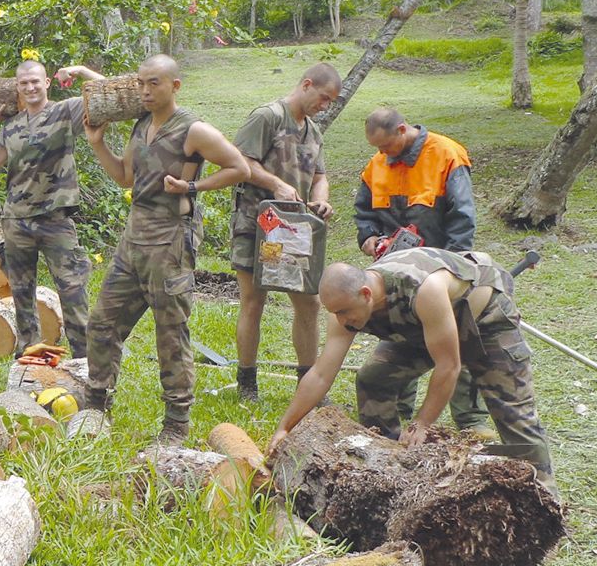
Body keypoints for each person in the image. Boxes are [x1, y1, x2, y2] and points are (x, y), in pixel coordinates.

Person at [65, 55, 249, 444]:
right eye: (141, 84)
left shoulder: (193, 130)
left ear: (175, 86)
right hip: (134, 238)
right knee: (102, 322)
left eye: (154, 84)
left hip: (170, 241)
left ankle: (176, 424)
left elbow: (239, 169)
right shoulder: (141, 124)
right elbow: (124, 177)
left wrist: (193, 188)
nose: (146, 91)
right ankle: (97, 403)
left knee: (170, 333)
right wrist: (98, 144)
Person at [263, 250, 554, 487]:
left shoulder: (424, 289)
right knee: (373, 380)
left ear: (366, 294)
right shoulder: (344, 308)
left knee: (513, 411)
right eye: (334, 313)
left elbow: (449, 366)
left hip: (483, 317)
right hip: (423, 327)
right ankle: (389, 469)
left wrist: (422, 424)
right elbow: (320, 374)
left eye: (343, 312)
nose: (340, 320)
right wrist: (285, 427)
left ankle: (545, 495)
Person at [354, 107, 489, 433]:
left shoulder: (446, 155)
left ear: (402, 130)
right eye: (377, 148)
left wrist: (454, 268)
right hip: (394, 272)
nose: (382, 154)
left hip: (440, 270)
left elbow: (462, 217)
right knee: (403, 336)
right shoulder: (378, 163)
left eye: (386, 146)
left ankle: (471, 420)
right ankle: (398, 405)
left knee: (458, 336)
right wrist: (369, 237)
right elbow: (364, 210)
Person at [229, 63, 341, 401]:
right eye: (323, 98)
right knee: (254, 300)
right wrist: (276, 184)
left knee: (309, 302)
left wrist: (320, 202)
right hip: (258, 227)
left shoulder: (313, 132)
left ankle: (308, 383)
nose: (325, 106)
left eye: (330, 102)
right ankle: (247, 381)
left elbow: (320, 175)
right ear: (306, 85)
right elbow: (240, 162)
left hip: (294, 231)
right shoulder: (267, 117)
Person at [0, 60, 91, 356]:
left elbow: (105, 94)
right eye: (24, 83)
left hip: (55, 220)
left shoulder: (65, 111)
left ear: (47, 83)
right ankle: (30, 354)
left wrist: (80, 71)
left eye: (36, 81)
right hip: (16, 220)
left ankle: (84, 357)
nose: (30, 87)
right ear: (17, 87)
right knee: (21, 294)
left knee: (72, 289)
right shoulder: (11, 126)